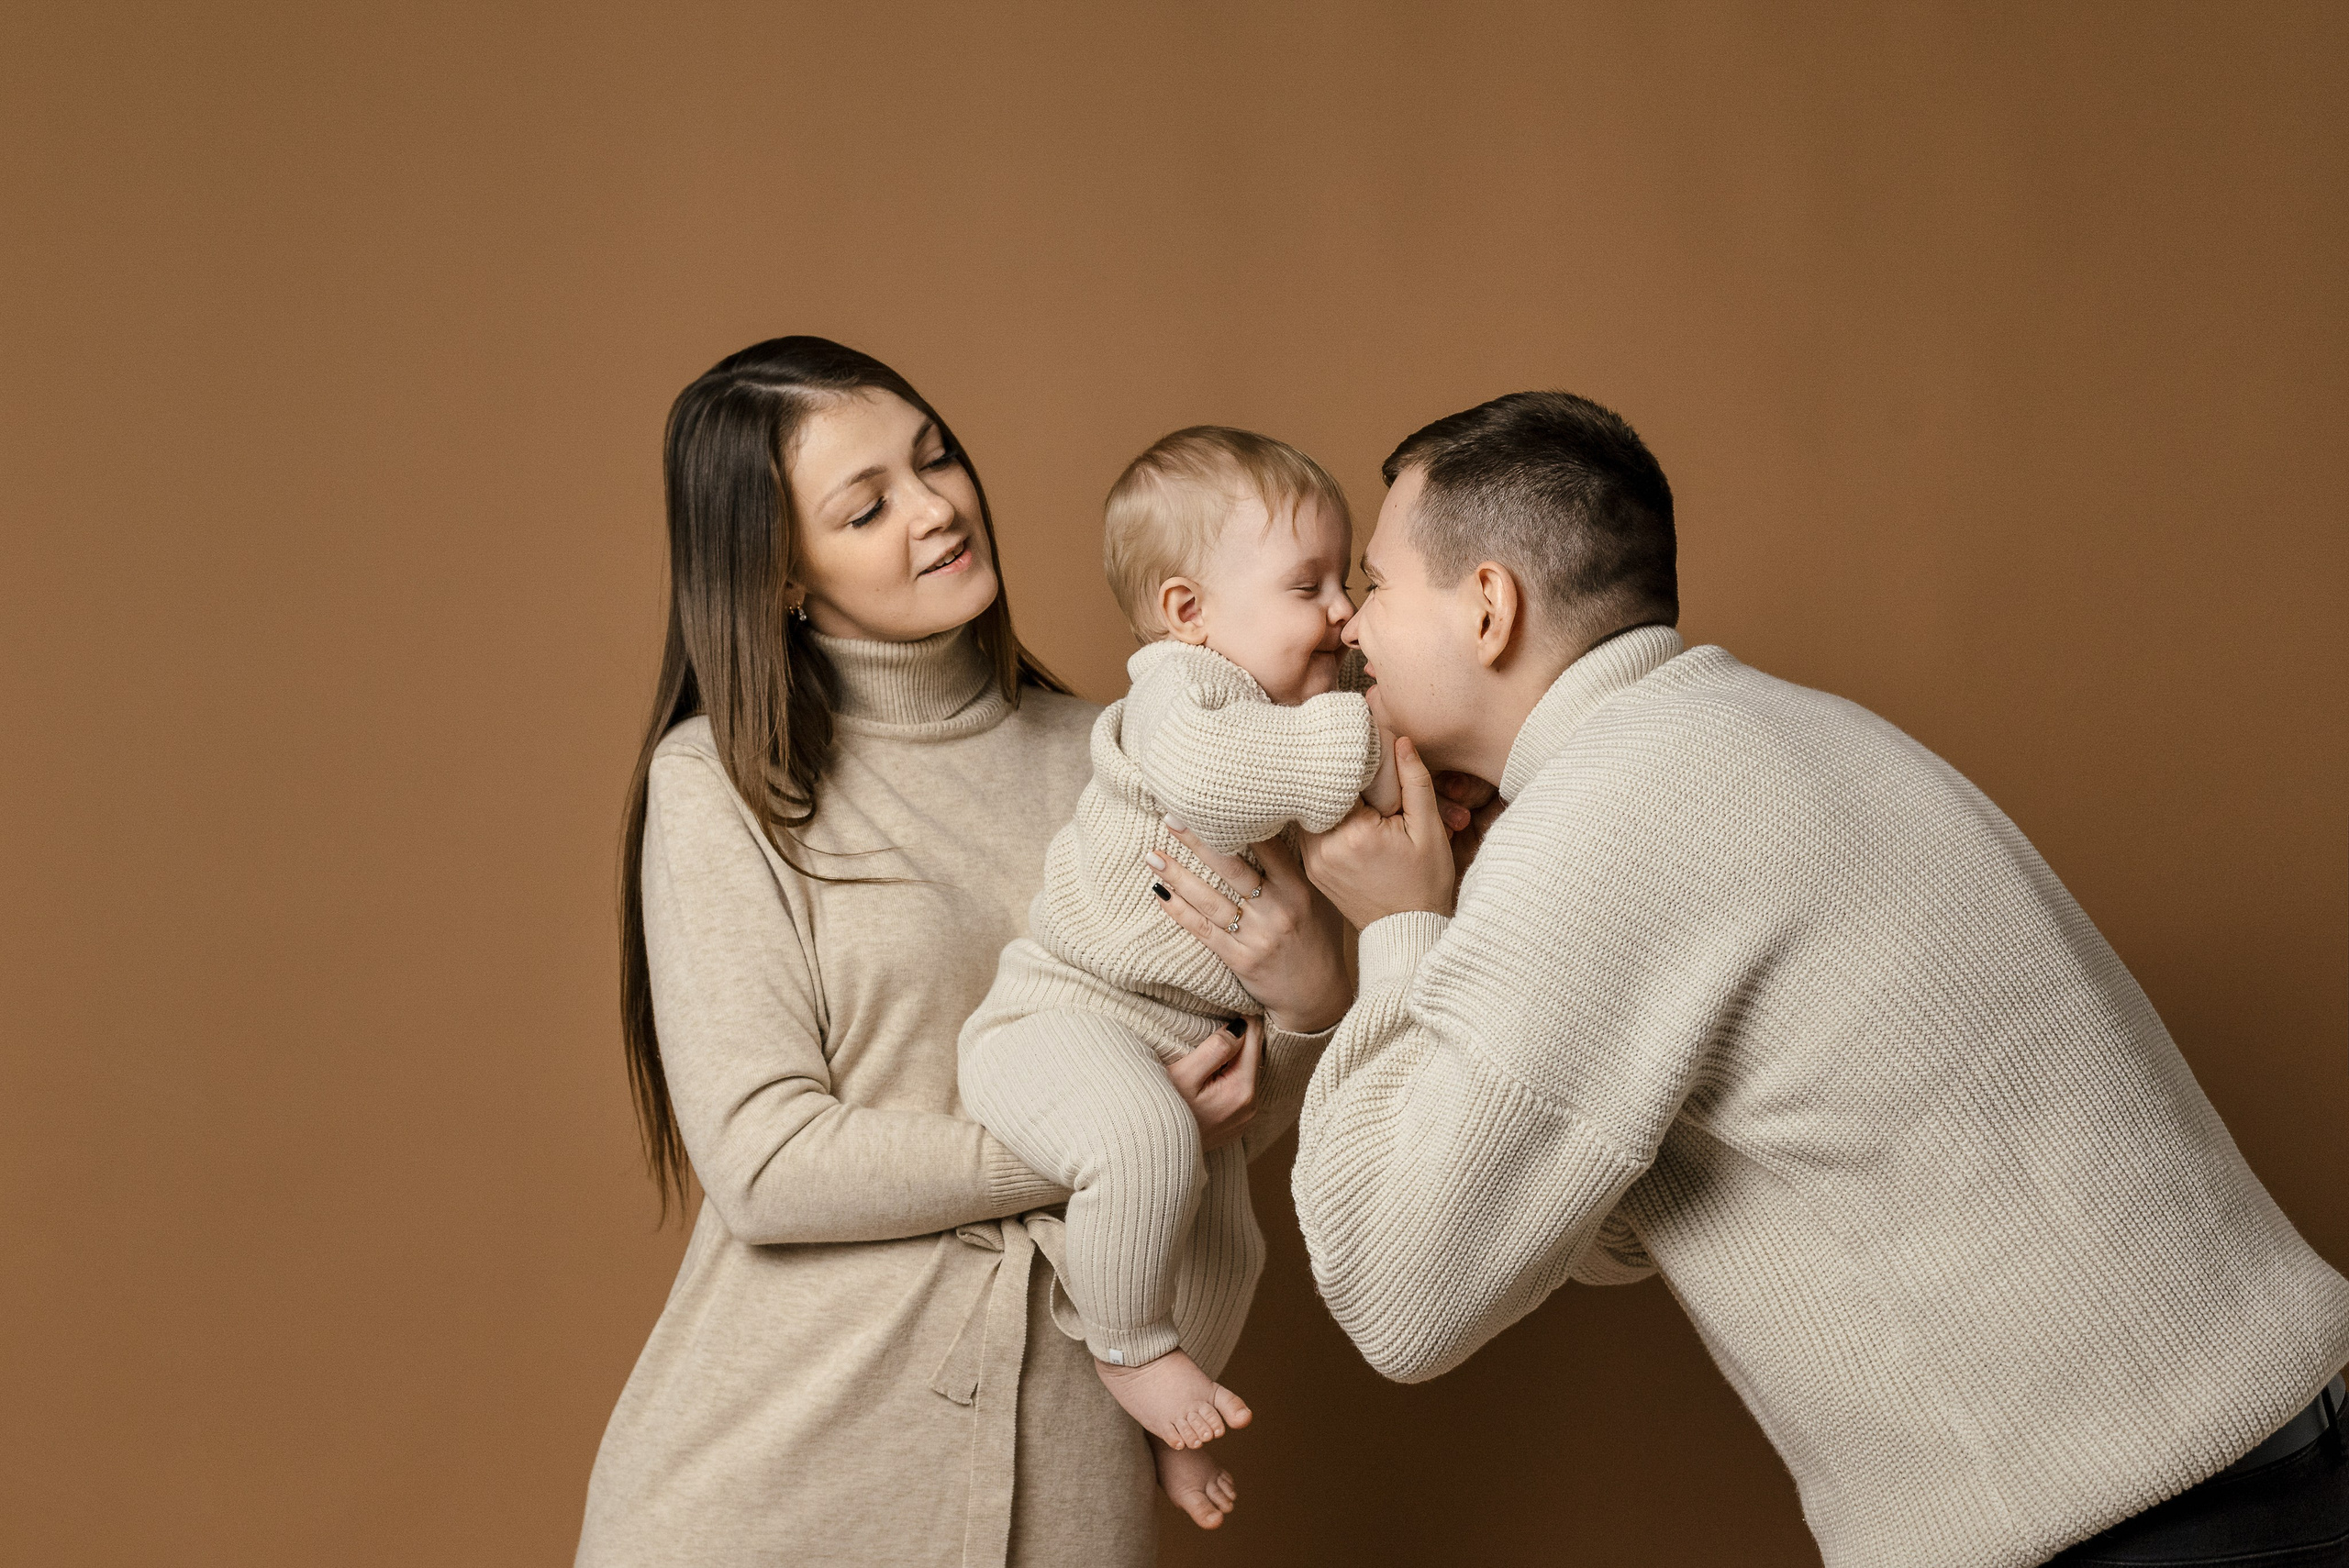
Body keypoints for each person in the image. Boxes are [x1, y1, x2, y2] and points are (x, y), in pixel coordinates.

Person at [1291, 390, 2349, 1568]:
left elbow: (1398, 1299)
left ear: (1489, 606)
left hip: (2138, 1524)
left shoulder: (1606, 809)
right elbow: (1620, 1225)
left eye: (1375, 583)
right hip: (2267, 1458)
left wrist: (1399, 932)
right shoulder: (1771, 725)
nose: (1350, 625)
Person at [574, 339, 1354, 1567]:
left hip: (1067, 1479)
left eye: (935, 458)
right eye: (867, 505)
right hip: (778, 1475)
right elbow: (767, 1161)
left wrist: (1311, 1001)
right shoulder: (724, 785)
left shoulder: (1135, 756)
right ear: (783, 573)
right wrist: (1111, 1137)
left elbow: (1228, 1121)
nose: (936, 506)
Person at [957, 428, 1401, 1525]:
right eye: (1307, 585)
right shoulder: (1181, 691)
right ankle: (1130, 1349)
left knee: (1223, 1250)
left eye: (1346, 580)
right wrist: (1369, 743)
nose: (1342, 610)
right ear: (1188, 610)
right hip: (1061, 1014)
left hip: (1177, 1043)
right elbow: (1215, 785)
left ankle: (1162, 1415)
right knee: (1143, 1138)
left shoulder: (1289, 710)